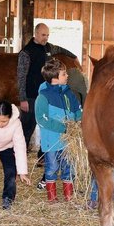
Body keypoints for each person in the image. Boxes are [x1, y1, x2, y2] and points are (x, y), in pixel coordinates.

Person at [16, 23, 78, 190]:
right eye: (43, 35)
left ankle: (43, 157)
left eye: (47, 35)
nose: (46, 38)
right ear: (36, 34)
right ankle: (19, 166)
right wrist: (22, 98)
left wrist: (74, 57)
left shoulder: (49, 47)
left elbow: (62, 49)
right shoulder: (26, 52)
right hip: (31, 96)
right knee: (26, 130)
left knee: (48, 130)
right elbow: (21, 77)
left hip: (47, 95)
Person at [35, 59, 82, 202]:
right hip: (52, 141)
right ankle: (52, 198)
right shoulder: (43, 97)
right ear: (55, 78)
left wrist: (79, 121)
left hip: (68, 141)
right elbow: (42, 120)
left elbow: (77, 110)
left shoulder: (69, 93)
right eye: (64, 74)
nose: (67, 76)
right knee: (52, 167)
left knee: (69, 168)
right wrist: (64, 127)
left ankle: (68, 196)